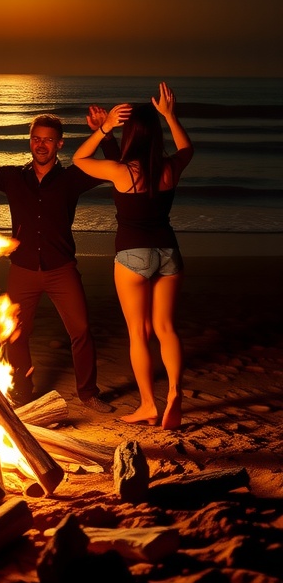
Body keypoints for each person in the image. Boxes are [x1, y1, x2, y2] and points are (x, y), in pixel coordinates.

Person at [0, 90, 123, 413]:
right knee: (15, 334)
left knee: (82, 331)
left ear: (60, 144)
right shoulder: (13, 177)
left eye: (48, 140)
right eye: (36, 139)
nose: (41, 144)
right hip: (23, 269)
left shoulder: (74, 178)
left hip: (61, 268)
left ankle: (88, 394)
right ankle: (22, 391)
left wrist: (107, 133)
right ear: (30, 141)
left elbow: (116, 167)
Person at [72, 82, 194, 430]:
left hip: (132, 256)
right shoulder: (171, 168)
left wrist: (105, 128)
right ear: (155, 135)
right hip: (169, 253)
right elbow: (187, 148)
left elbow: (79, 159)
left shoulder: (121, 171)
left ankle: (147, 405)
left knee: (138, 333)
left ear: (131, 136)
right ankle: (174, 393)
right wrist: (170, 115)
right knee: (166, 328)